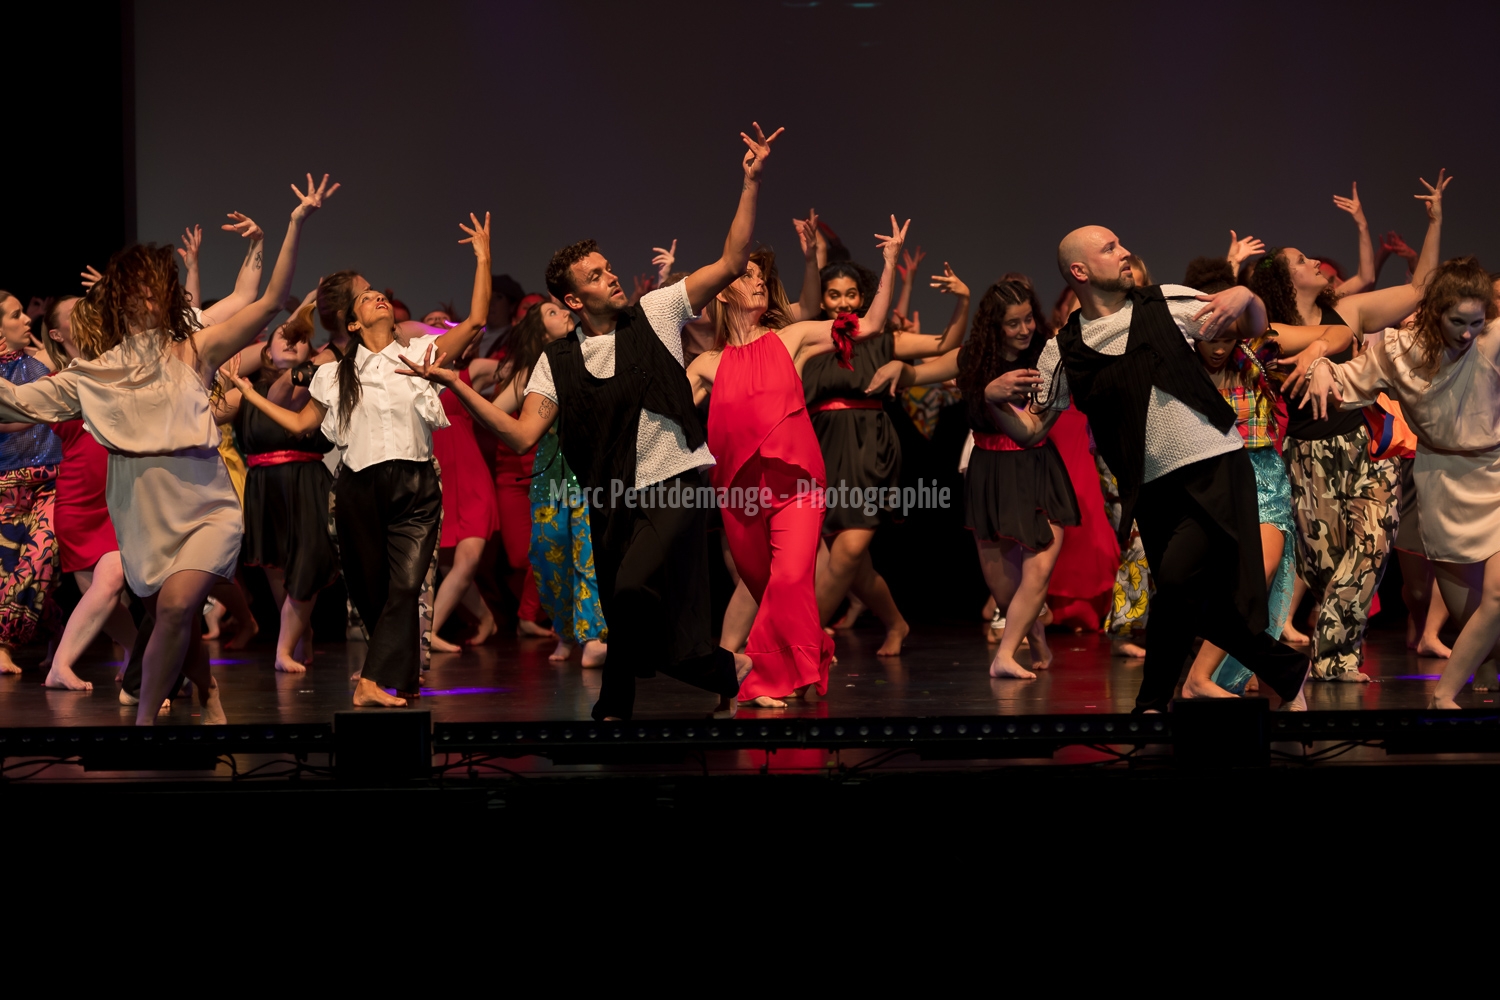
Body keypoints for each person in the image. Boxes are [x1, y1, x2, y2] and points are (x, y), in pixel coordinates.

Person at [397, 122, 784, 722]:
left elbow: (732, 261)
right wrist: (455, 385)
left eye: (608, 268)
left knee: (629, 590)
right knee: (629, 608)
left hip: (675, 480)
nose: (611, 276)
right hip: (611, 497)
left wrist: (750, 181)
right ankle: (684, 680)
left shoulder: (656, 312)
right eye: (597, 275)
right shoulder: (557, 361)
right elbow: (521, 434)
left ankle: (649, 687)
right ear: (574, 299)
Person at [0, 173, 335, 725]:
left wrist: (293, 225)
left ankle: (144, 727)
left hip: (203, 501)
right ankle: (206, 691)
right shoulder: (95, 372)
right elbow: (14, 402)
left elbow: (270, 301)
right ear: (121, 299)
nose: (151, 296)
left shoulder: (196, 346)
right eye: (140, 289)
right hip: (140, 510)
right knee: (169, 614)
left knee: (178, 606)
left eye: (157, 287)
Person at [994, 226, 1331, 712]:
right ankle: (1171, 698)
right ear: (1080, 271)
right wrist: (993, 401)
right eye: (1110, 248)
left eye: (1120, 244)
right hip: (1151, 489)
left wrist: (1247, 297)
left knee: (1176, 582)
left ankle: (1167, 697)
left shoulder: (1166, 303)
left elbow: (1253, 326)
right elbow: (1031, 429)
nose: (1124, 252)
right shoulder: (1062, 351)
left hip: (1214, 466)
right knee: (1180, 595)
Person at [229, 211, 490, 708]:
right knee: (373, 592)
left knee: (407, 585)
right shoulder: (334, 373)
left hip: (416, 488)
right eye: (367, 298)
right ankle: (402, 679)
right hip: (358, 491)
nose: (378, 297)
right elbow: (301, 425)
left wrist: (482, 257)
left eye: (380, 295)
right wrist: (251, 395)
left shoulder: (421, 353)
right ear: (353, 322)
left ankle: (371, 680)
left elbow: (476, 321)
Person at [687, 219, 907, 706]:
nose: (759, 281)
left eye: (762, 276)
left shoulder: (792, 338)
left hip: (798, 485)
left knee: (789, 579)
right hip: (741, 495)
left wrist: (890, 263)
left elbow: (869, 326)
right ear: (722, 291)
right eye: (746, 275)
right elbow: (667, 419)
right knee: (764, 586)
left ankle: (760, 679)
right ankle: (812, 652)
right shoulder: (706, 365)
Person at [1245, 170, 1448, 682]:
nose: (1315, 262)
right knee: (1324, 564)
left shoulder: (1347, 309)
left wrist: (1435, 223)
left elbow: (1421, 289)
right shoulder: (1273, 330)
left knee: (1372, 546)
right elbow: (1330, 337)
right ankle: (1331, 657)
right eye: (1301, 261)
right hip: (1308, 457)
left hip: (1363, 445)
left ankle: (1334, 656)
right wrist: (1321, 342)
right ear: (1283, 280)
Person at [1302, 257, 1500, 709]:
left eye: (1477, 322)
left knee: (1497, 595)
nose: (1468, 334)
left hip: (1496, 469)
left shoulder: (1493, 339)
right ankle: (1488, 663)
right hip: (1442, 480)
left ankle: (1443, 694)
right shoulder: (1398, 350)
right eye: (1458, 322)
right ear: (1435, 313)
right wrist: (1321, 366)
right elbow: (1346, 380)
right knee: (1472, 613)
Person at [869, 279, 1077, 679]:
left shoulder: (1048, 359)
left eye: (1028, 319)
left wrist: (994, 398)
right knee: (1003, 589)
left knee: (1037, 571)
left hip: (1035, 468)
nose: (1024, 329)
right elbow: (917, 375)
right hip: (989, 472)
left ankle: (1005, 656)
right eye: (1013, 323)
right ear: (995, 326)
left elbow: (1030, 432)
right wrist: (899, 367)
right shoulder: (974, 359)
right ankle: (1034, 634)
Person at [1179, 266, 1353, 698]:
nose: (1219, 348)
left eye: (1227, 337)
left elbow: (1340, 332)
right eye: (1210, 339)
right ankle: (1221, 673)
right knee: (1223, 584)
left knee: (1262, 572)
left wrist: (1317, 350)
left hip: (1263, 475)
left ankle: (1202, 678)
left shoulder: (1258, 346)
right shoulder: (1179, 358)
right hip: (1211, 480)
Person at [793, 251, 967, 657]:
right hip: (821, 450)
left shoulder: (882, 340)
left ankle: (803, 644)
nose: (843, 302)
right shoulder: (806, 344)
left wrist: (963, 300)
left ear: (862, 298)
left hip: (868, 448)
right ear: (822, 300)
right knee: (855, 566)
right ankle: (896, 623)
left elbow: (945, 343)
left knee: (849, 552)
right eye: (834, 294)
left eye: (851, 294)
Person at [217, 302, 339, 674]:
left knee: (308, 564)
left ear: (310, 351)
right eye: (281, 339)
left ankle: (285, 647)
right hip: (264, 487)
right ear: (265, 352)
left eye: (299, 339)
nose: (290, 342)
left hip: (307, 482)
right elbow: (211, 397)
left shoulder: (319, 386)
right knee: (276, 569)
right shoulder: (246, 392)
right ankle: (300, 632)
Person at [489, 300, 608, 664]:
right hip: (548, 478)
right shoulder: (531, 372)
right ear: (540, 332)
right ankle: (567, 632)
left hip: (588, 475)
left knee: (588, 557)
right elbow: (494, 411)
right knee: (548, 559)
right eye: (552, 313)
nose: (564, 313)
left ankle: (593, 636)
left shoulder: (591, 355)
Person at [37, 296, 137, 691]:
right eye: (75, 312)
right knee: (100, 595)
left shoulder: (116, 366)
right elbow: (12, 419)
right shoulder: (53, 382)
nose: (87, 313)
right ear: (56, 333)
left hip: (118, 496)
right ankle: (143, 658)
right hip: (77, 499)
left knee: (111, 579)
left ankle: (61, 665)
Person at [0, 290, 65, 675]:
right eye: (15, 315)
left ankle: (3, 644)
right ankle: (59, 630)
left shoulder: (42, 363)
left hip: (50, 484)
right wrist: (42, 410)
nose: (27, 319)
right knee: (11, 571)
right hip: (6, 487)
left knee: (39, 558)